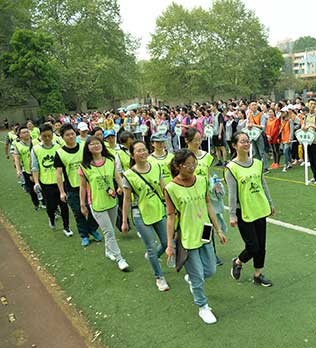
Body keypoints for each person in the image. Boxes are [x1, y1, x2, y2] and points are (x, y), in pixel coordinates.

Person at [165, 150, 227, 324]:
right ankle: (203, 306)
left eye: (194, 164)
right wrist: (170, 244)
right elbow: (170, 217)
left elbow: (207, 204)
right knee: (198, 276)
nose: (192, 167)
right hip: (187, 237)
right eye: (188, 164)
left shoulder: (201, 181)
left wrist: (218, 229)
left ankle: (192, 279)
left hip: (205, 231)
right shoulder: (170, 188)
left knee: (210, 270)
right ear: (178, 166)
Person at [225, 132, 275, 287]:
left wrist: (270, 204)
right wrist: (232, 214)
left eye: (247, 141)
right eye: (242, 142)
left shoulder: (257, 163)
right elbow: (232, 194)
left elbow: (263, 184)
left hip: (259, 208)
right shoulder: (231, 168)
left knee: (262, 245)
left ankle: (258, 275)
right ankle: (238, 261)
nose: (246, 144)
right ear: (234, 145)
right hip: (244, 211)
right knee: (253, 246)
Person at [122, 140, 170, 291]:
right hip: (140, 214)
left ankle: (153, 257)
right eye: (139, 151)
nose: (143, 153)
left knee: (166, 242)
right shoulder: (128, 175)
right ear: (132, 154)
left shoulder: (155, 166)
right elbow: (127, 199)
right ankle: (159, 277)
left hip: (158, 210)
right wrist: (124, 220)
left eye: (144, 150)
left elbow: (163, 189)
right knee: (150, 246)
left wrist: (171, 206)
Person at [79, 136, 129, 271]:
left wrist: (122, 189)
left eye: (98, 143)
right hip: (96, 204)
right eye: (92, 144)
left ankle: (108, 251)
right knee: (109, 232)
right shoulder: (84, 166)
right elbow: (83, 187)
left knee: (110, 230)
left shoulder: (110, 160)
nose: (96, 146)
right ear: (87, 148)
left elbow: (117, 176)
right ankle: (120, 258)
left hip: (112, 201)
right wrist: (82, 204)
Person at [55, 123, 101, 246]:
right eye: (67, 135)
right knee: (79, 212)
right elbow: (59, 174)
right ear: (62, 137)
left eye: (72, 134)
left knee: (93, 210)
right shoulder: (59, 153)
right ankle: (84, 235)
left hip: (89, 185)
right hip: (72, 188)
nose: (70, 137)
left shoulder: (84, 147)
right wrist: (62, 192)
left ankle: (92, 229)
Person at [31, 123, 73, 236]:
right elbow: (35, 167)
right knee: (51, 206)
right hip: (46, 184)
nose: (47, 138)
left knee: (64, 204)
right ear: (40, 135)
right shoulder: (35, 149)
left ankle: (66, 227)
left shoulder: (59, 147)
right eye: (44, 136)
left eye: (49, 135)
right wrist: (36, 182)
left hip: (61, 181)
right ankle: (52, 218)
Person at [12, 125, 41, 210]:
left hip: (39, 169)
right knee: (32, 189)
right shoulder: (18, 145)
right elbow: (16, 158)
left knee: (43, 187)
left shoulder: (36, 142)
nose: (26, 134)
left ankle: (44, 202)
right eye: (23, 132)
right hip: (27, 171)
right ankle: (36, 203)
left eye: (27, 131)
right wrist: (18, 170)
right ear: (20, 135)